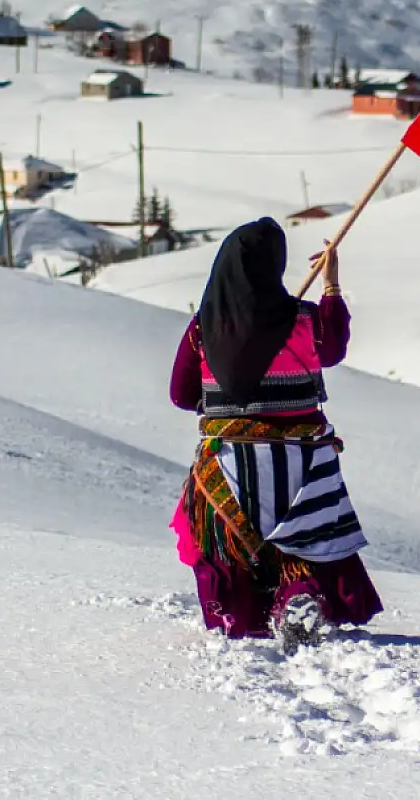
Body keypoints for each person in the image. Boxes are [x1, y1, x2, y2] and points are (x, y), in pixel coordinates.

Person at [167, 217, 383, 650]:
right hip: (302, 457)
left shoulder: (202, 330)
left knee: (224, 535)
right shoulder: (303, 318)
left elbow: (180, 394)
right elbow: (334, 348)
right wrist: (331, 287)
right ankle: (299, 594)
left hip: (230, 458)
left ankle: (239, 613)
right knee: (304, 535)